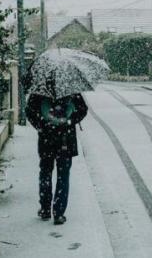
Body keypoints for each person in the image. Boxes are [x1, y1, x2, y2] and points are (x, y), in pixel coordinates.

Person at [27, 92, 88, 225]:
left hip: (46, 140)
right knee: (63, 175)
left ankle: (45, 209)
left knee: (45, 172)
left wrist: (41, 125)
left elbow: (29, 111)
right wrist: (70, 121)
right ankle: (59, 213)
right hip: (65, 140)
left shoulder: (39, 91)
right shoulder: (70, 90)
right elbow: (83, 109)